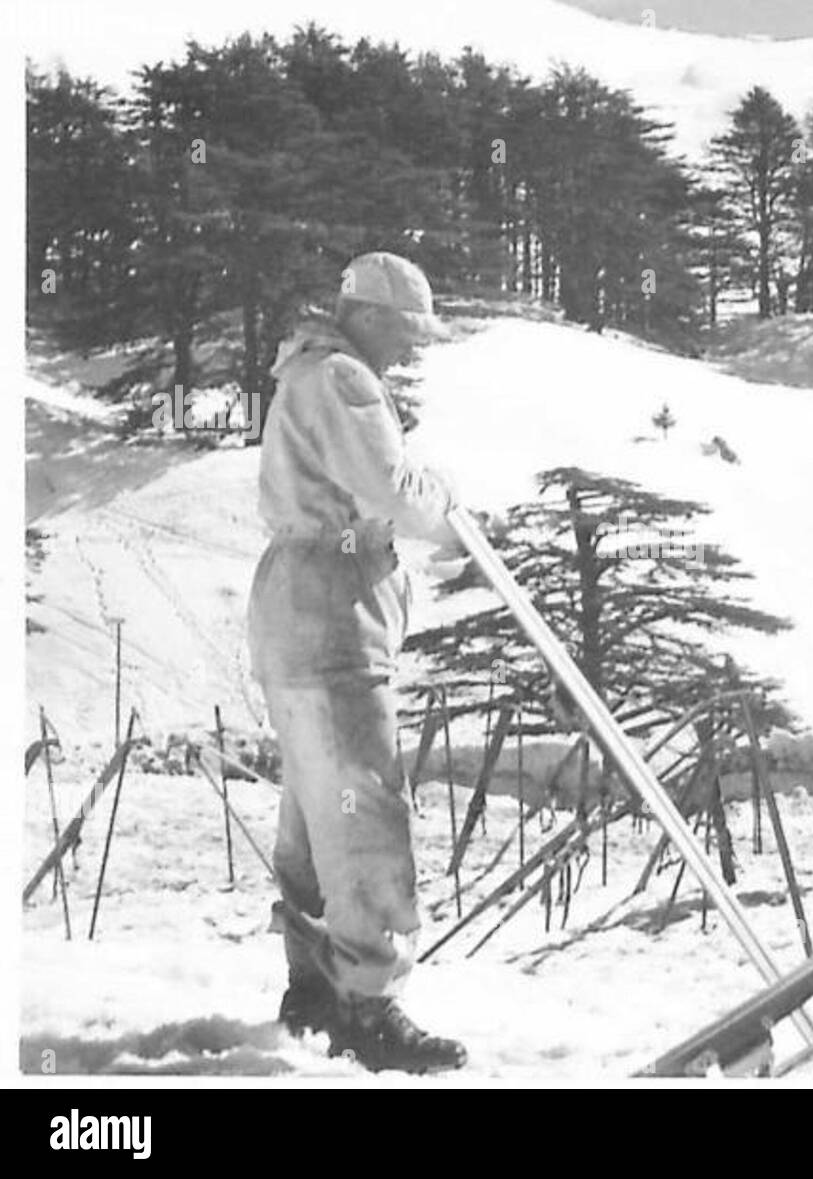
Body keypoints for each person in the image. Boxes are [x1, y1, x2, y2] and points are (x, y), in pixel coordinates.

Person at [248, 251, 467, 1073]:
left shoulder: (305, 372)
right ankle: (368, 1003)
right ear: (370, 315)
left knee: (314, 801)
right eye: (405, 331)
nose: (408, 351)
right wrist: (450, 511)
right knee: (365, 804)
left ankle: (311, 984)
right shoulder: (342, 377)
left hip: (297, 600)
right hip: (330, 610)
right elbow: (394, 490)